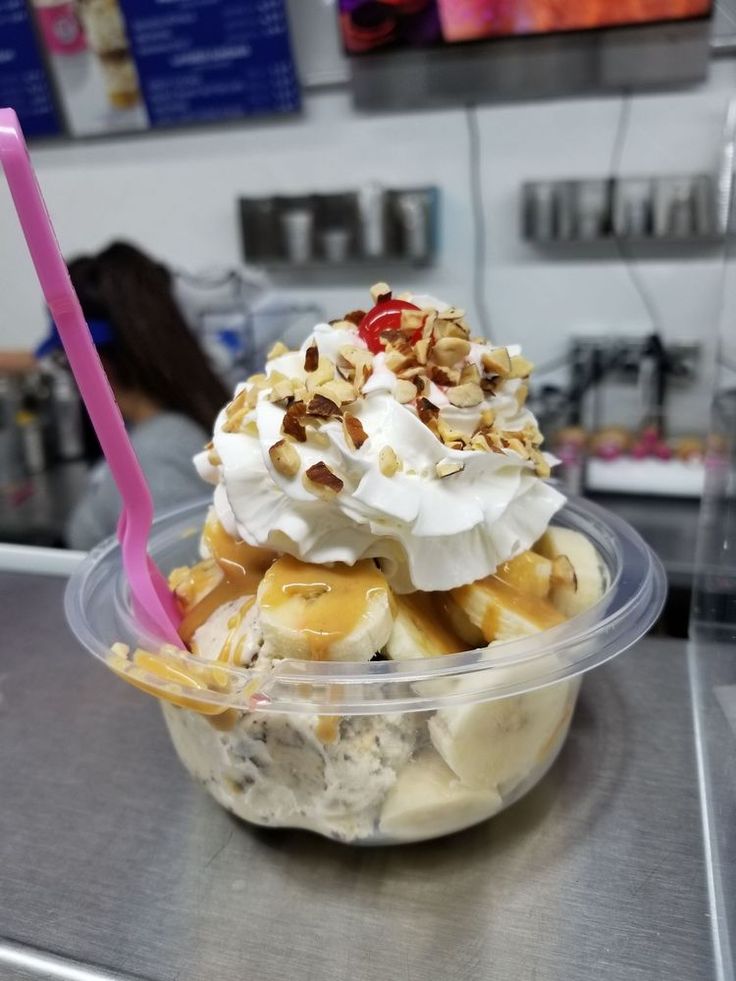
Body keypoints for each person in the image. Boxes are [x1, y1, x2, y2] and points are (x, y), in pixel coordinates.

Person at [34, 241, 230, 550]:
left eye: (64, 359)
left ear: (91, 360)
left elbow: (178, 590)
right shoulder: (163, 427)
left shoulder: (157, 455)